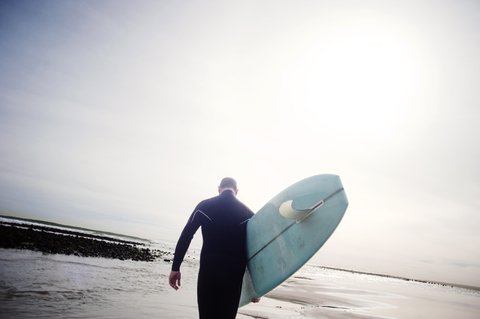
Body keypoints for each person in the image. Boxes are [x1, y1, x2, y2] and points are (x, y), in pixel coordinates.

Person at [169, 177, 259, 319]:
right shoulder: (249, 214)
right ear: (237, 191)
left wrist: (175, 267)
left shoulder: (204, 206)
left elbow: (186, 236)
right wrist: (256, 288)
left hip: (208, 272)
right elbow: (256, 250)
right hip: (233, 277)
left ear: (219, 189)